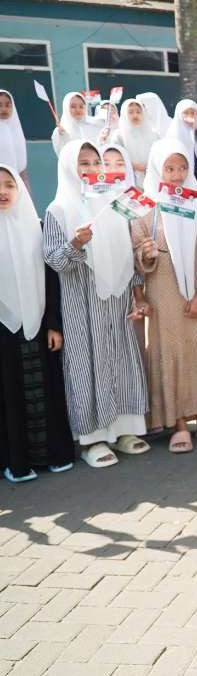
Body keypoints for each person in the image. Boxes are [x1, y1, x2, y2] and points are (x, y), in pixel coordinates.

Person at [43, 142, 150, 468]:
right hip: (81, 306)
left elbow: (126, 258)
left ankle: (126, 431)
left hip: (116, 302)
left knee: (121, 362)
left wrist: (139, 294)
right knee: (87, 366)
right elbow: (54, 260)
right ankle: (93, 439)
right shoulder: (57, 211)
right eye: (82, 163)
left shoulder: (114, 206)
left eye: (94, 163)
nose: (90, 169)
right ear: (67, 167)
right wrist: (76, 243)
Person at [132, 139, 197, 453]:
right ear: (158, 169)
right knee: (171, 353)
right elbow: (139, 257)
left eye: (182, 167)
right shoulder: (146, 206)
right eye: (170, 168)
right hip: (164, 294)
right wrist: (145, 254)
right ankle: (177, 423)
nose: (176, 175)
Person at [0, 164, 73, 482]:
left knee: (44, 390)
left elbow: (51, 280)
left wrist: (54, 324)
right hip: (3, 331)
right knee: (9, 395)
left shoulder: (36, 227)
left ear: (20, 190)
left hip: (40, 325)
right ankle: (17, 462)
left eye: (8, 185)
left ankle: (53, 455)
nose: (3, 191)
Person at [114, 99, 159, 188]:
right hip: (128, 177)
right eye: (130, 112)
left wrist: (150, 166)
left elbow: (160, 153)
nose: (135, 115)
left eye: (138, 112)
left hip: (151, 175)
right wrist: (133, 166)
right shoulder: (119, 135)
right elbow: (115, 156)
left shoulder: (154, 134)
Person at [0, 90, 30, 189]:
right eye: (0, 105)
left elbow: (21, 163)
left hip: (15, 180)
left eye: (8, 105)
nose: (4, 109)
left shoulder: (16, 131)